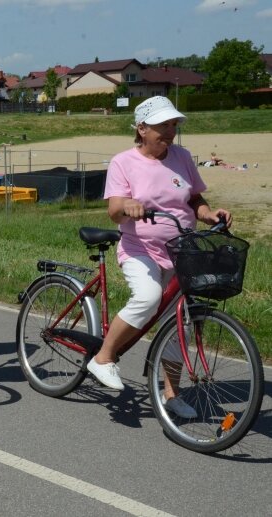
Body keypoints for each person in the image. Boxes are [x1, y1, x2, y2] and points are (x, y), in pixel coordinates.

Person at [87, 96, 231, 419]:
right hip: (140, 249)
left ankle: (171, 394)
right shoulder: (123, 162)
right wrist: (129, 206)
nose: (170, 131)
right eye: (163, 125)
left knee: (180, 320)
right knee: (149, 296)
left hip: (181, 250)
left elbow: (194, 198)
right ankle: (104, 357)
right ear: (142, 128)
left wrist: (208, 214)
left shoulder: (181, 157)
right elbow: (113, 210)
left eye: (173, 125)